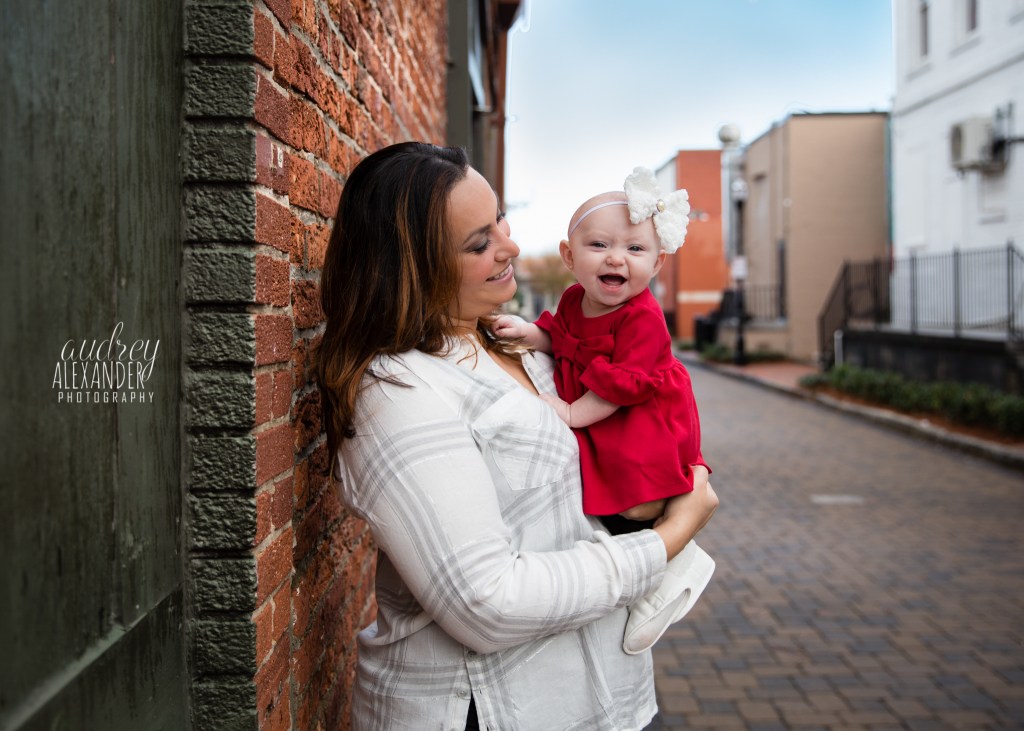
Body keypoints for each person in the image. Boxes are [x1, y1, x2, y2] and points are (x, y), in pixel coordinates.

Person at [314, 142, 718, 731]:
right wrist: (665, 541)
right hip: (487, 709)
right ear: (411, 266)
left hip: (599, 695)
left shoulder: (506, 344)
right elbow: (486, 605)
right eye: (478, 243)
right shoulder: (397, 391)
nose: (507, 246)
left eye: (499, 220)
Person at [494, 167, 716, 655]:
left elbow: (622, 388)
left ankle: (664, 569)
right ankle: (658, 564)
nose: (617, 258)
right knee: (599, 493)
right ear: (570, 257)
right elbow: (566, 336)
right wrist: (531, 334)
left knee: (633, 497)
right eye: (599, 246)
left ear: (657, 265)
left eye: (635, 250)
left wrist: (571, 415)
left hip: (642, 415)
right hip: (604, 410)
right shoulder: (575, 297)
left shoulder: (643, 317)